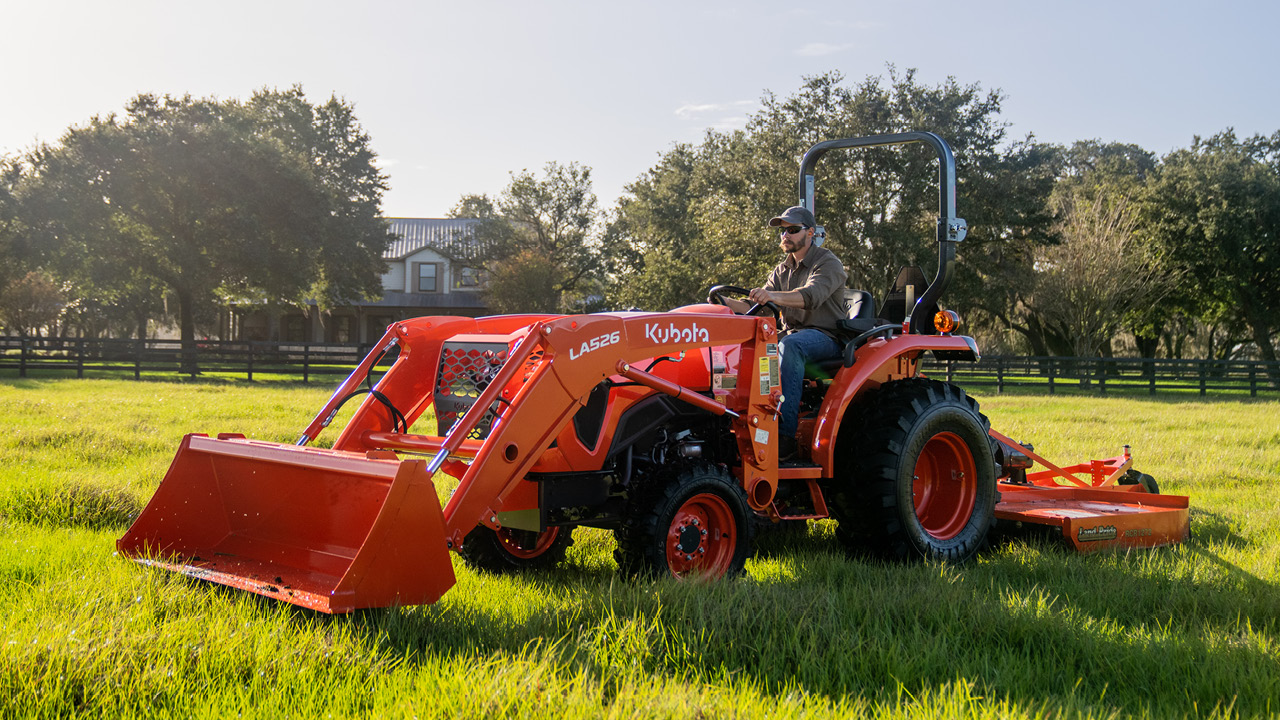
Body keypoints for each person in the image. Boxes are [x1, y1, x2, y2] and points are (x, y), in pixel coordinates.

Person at [727, 206, 848, 460]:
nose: (785, 236)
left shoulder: (828, 263)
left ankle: (784, 437)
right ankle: (737, 421)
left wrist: (770, 295)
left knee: (791, 346)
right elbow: (759, 307)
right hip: (792, 333)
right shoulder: (782, 269)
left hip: (826, 337)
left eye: (792, 230)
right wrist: (724, 303)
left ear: (810, 233)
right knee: (748, 345)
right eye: (783, 231)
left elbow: (811, 297)